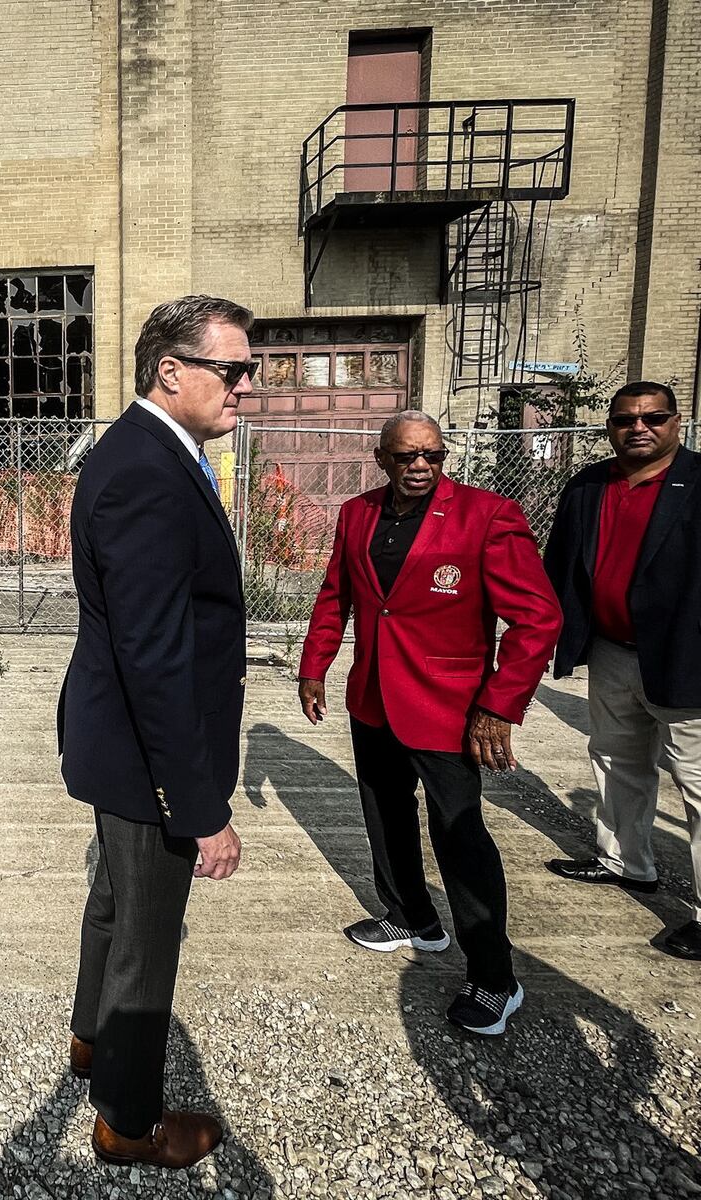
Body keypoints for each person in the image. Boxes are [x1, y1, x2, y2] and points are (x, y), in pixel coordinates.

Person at [57, 294, 253, 1170]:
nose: (243, 388)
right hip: (146, 754)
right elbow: (155, 656)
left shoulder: (150, 453)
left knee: (113, 905)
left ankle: (92, 1042)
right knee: (146, 934)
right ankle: (126, 1124)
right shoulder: (144, 468)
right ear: (170, 372)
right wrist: (201, 804)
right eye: (232, 370)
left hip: (119, 739)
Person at [297, 411, 561, 1035]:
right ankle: (412, 916)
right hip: (374, 700)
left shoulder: (487, 516)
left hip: (449, 709)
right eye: (406, 456)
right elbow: (338, 595)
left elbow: (537, 618)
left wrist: (499, 705)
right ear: (383, 459)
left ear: (444, 458)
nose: (420, 466)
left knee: (459, 836)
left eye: (432, 456)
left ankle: (495, 978)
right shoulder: (357, 514)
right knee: (385, 814)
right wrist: (315, 666)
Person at [541, 381, 701, 961]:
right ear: (609, 426)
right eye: (626, 419)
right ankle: (625, 862)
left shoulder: (697, 483)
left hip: (686, 659)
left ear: (675, 422)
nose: (640, 428)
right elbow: (558, 566)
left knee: (697, 782)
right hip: (611, 651)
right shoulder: (588, 486)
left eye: (653, 418)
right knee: (615, 759)